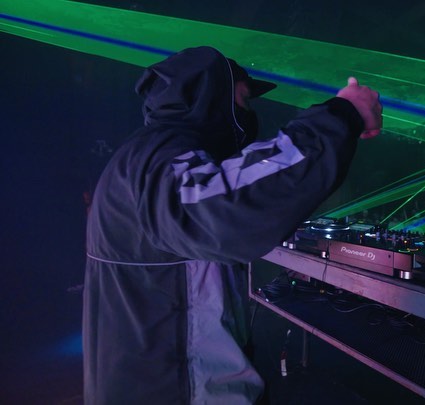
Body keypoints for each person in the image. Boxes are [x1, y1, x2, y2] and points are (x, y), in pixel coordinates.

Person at [83, 46, 382, 404]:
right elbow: (228, 214)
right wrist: (342, 115)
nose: (249, 113)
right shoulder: (161, 156)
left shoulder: (148, 154)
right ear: (211, 97)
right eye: (243, 100)